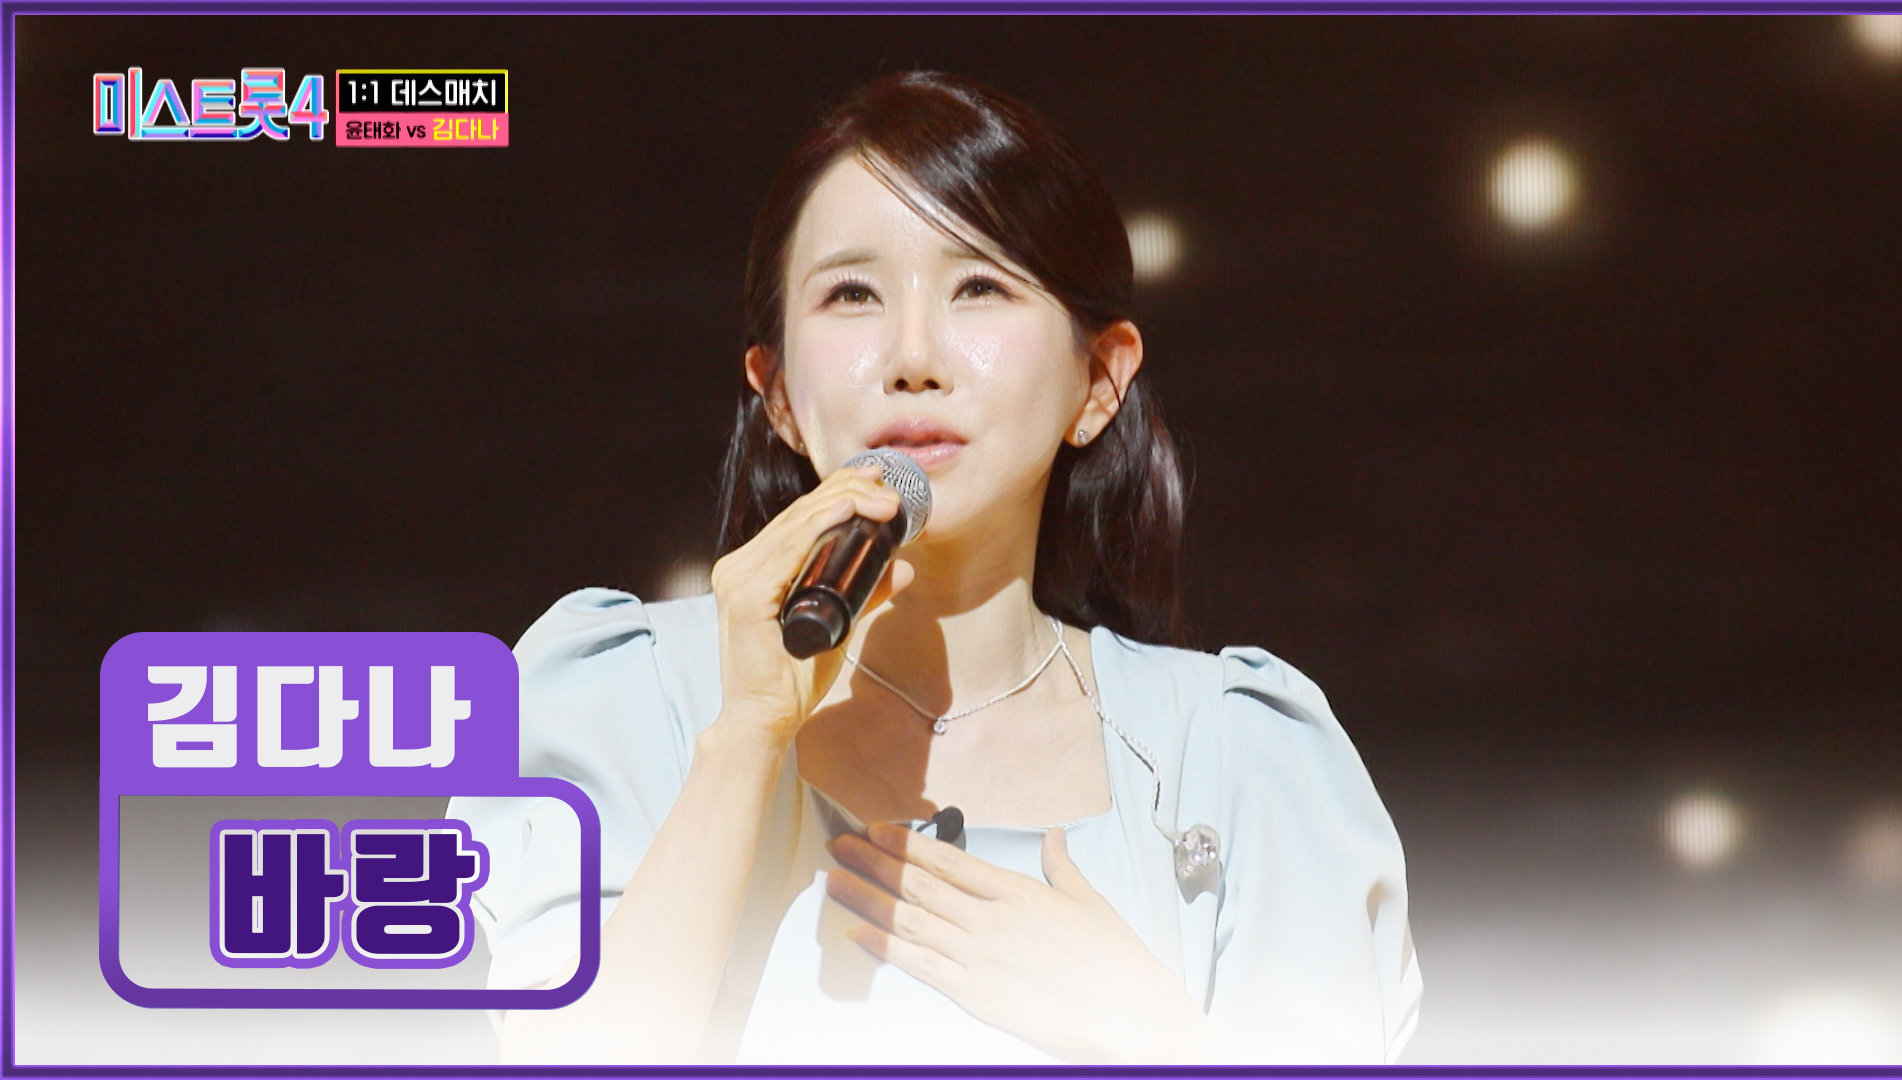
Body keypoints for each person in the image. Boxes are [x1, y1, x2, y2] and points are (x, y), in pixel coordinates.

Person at [449, 69, 1420, 1066]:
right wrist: (743, 740)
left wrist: (1156, 1040)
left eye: (980, 287)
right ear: (777, 394)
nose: (914, 356)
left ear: (1099, 379)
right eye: (852, 295)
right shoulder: (625, 696)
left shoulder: (1240, 758)